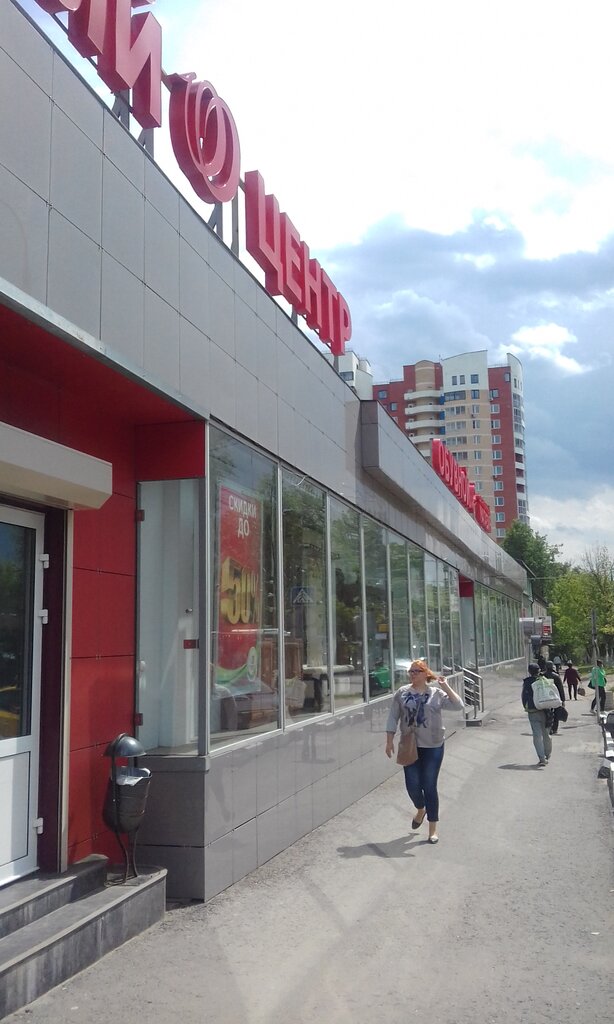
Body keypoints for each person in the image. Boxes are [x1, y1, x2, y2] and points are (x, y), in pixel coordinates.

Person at [385, 659, 464, 844]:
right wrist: (389, 741)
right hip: (409, 745)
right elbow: (393, 717)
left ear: (425, 674)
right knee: (412, 785)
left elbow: (458, 705)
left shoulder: (436, 693)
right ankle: (421, 809)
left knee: (429, 785)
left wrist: (446, 686)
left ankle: (432, 828)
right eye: (411, 671)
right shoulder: (402, 693)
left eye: (416, 671)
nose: (412, 674)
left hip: (433, 746)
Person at [522, 664, 553, 767]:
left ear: (529, 671)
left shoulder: (527, 682)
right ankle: (547, 754)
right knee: (546, 734)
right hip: (545, 710)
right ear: (539, 670)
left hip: (533, 711)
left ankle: (542, 758)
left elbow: (524, 696)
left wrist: (526, 706)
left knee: (537, 735)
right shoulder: (544, 680)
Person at [544, 660, 565, 734]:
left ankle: (546, 727)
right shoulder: (556, 676)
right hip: (555, 697)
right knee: (556, 713)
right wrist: (563, 700)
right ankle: (555, 729)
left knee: (545, 713)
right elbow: (560, 688)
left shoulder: (542, 676)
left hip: (545, 697)